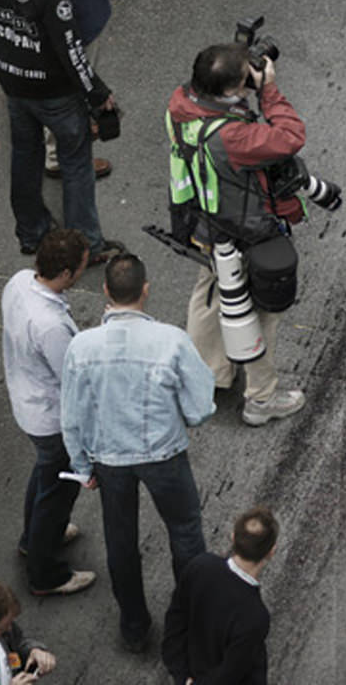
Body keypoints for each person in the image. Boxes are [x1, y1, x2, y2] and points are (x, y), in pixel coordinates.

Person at [59, 253, 213, 656]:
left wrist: (81, 465)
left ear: (106, 291)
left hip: (109, 460)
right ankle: (193, 615)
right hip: (164, 455)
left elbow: (72, 416)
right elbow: (200, 408)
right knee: (184, 532)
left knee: (121, 540)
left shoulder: (81, 347)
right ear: (146, 290)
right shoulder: (172, 340)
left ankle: (134, 625)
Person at [165, 41, 313, 427]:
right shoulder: (232, 137)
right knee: (259, 314)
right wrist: (268, 92)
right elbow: (290, 137)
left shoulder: (180, 104)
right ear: (232, 90)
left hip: (203, 223)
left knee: (210, 296)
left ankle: (207, 374)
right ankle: (261, 399)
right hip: (246, 231)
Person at [1, 227, 94, 598]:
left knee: (45, 476)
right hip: (51, 417)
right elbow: (71, 378)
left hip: (26, 402)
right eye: (83, 266)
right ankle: (46, 574)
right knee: (58, 492)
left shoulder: (20, 281)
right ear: (67, 273)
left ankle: (33, 538)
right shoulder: (51, 326)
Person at [161, 507, 276, 685]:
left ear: (233, 537)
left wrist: (181, 673)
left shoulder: (201, 566)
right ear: (271, 552)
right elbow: (230, 673)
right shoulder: (255, 617)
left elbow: (176, 618)